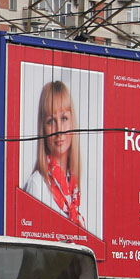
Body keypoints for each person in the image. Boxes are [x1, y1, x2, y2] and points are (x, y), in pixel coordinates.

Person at [23, 80, 83, 228]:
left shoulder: (74, 190)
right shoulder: (37, 185)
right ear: (42, 128)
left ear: (72, 122)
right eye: (51, 121)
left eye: (64, 118)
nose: (59, 130)